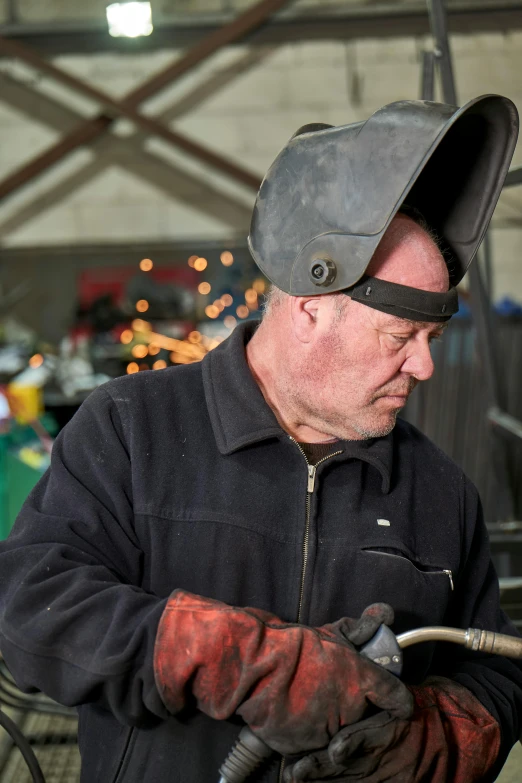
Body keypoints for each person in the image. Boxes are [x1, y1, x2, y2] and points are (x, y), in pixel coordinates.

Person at [0, 95, 521, 783]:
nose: (423, 365)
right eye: (401, 337)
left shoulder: (440, 491)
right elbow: (31, 605)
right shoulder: (131, 426)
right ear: (310, 307)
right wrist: (230, 656)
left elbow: (496, 675)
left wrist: (433, 740)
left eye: (432, 339)